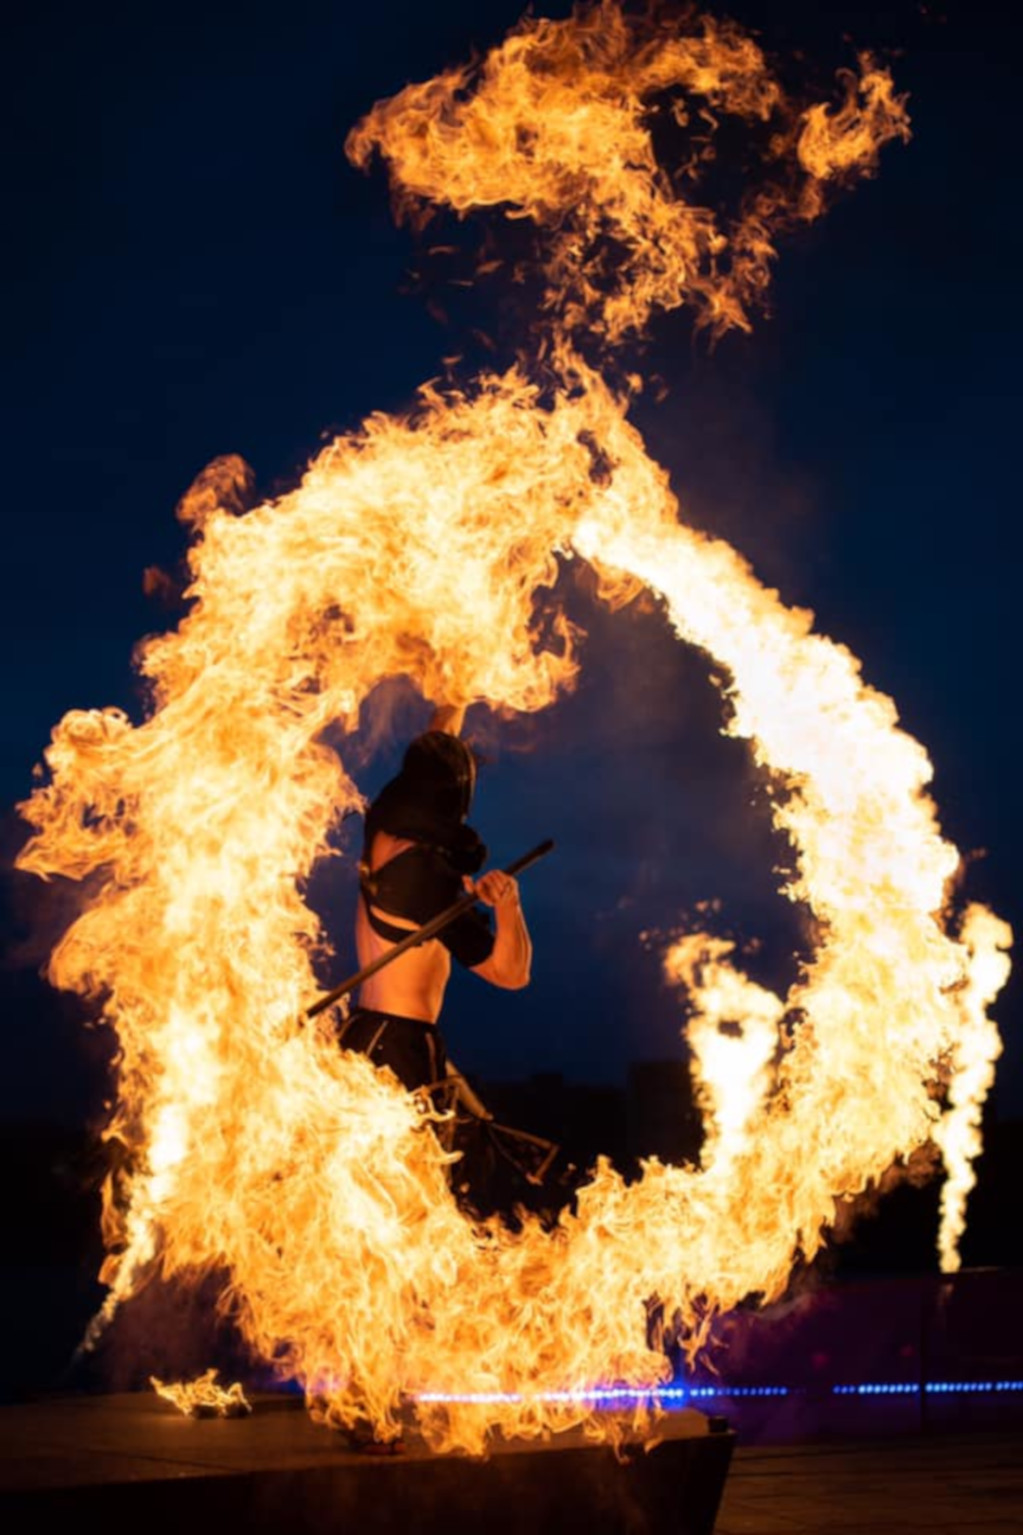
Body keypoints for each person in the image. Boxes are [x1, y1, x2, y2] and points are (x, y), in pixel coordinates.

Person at [338, 704, 533, 1104]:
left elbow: (432, 751)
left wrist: (458, 687)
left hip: (360, 1035)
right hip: (400, 1051)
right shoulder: (427, 878)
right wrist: (508, 904)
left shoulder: (384, 830)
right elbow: (510, 974)